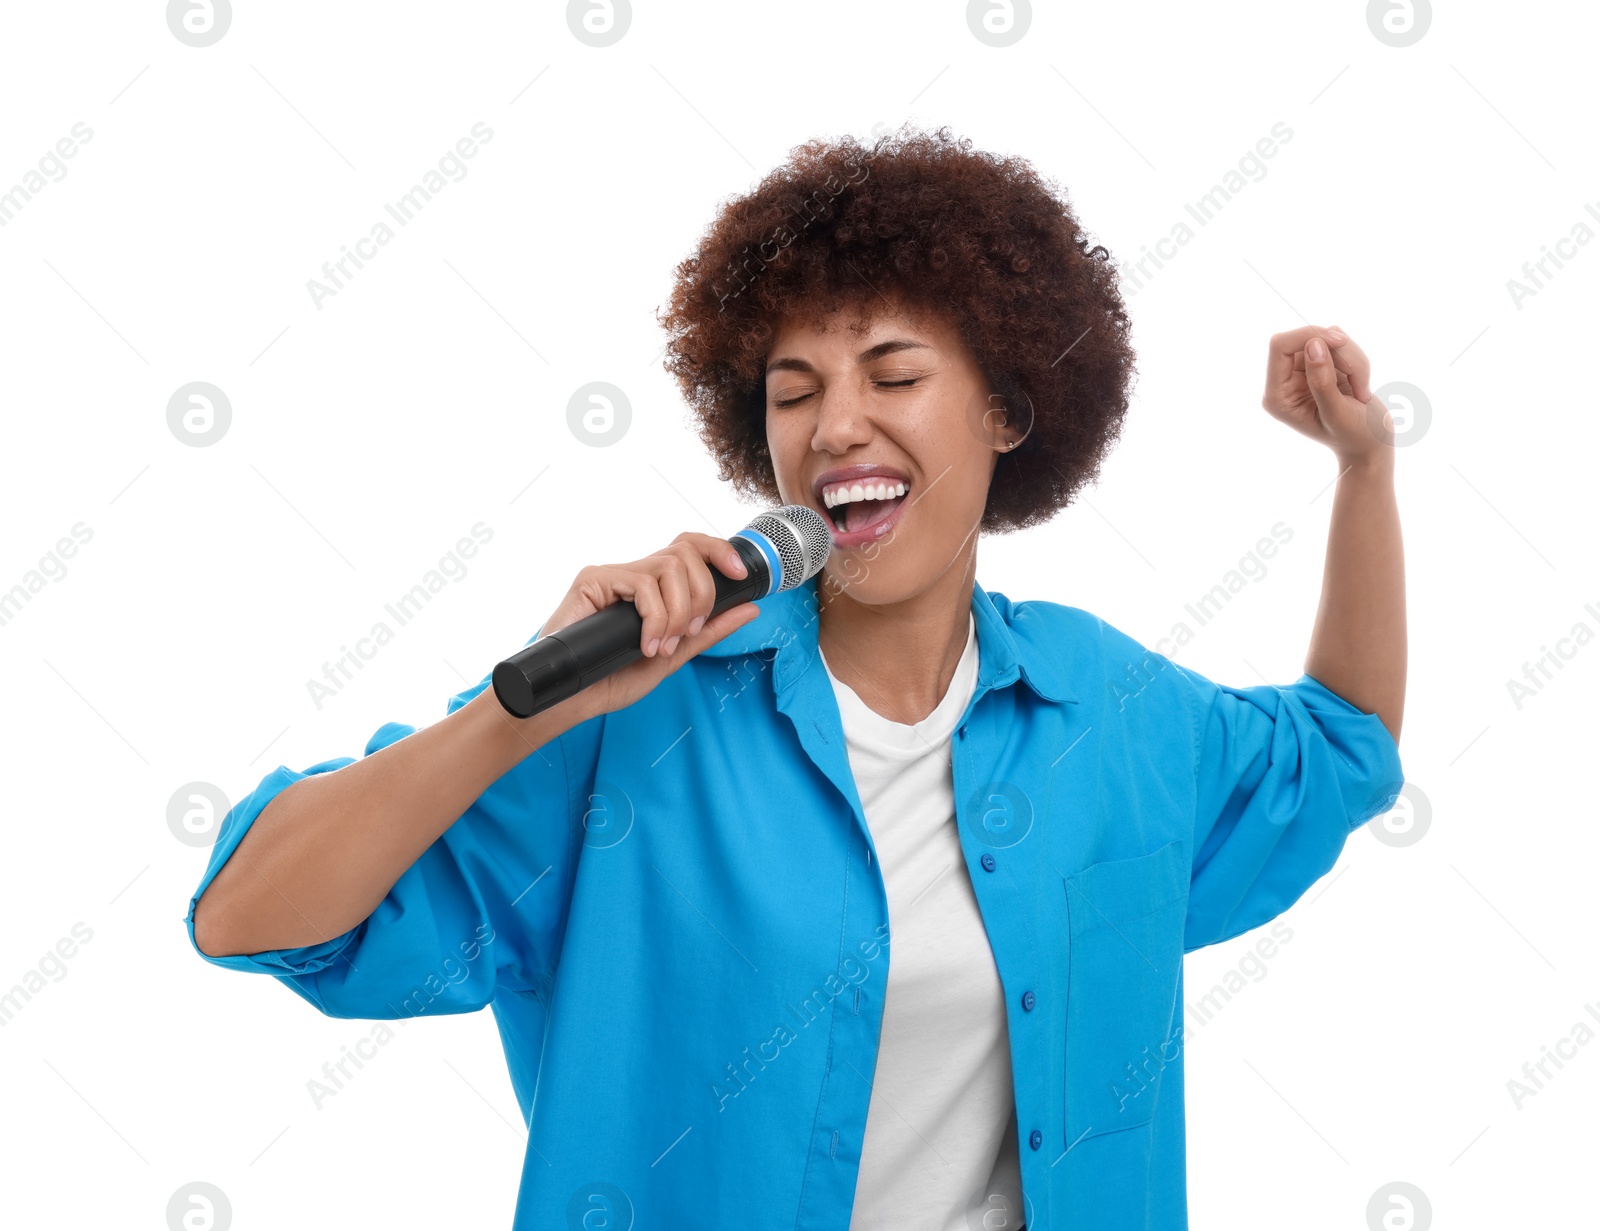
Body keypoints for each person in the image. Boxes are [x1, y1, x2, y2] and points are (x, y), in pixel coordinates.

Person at [186, 126, 1406, 1231]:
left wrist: (1363, 473)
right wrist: (518, 719)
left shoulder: (1109, 710)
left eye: (893, 375)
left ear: (1007, 411)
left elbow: (1342, 746)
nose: (834, 427)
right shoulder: (636, 722)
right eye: (793, 390)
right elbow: (248, 916)